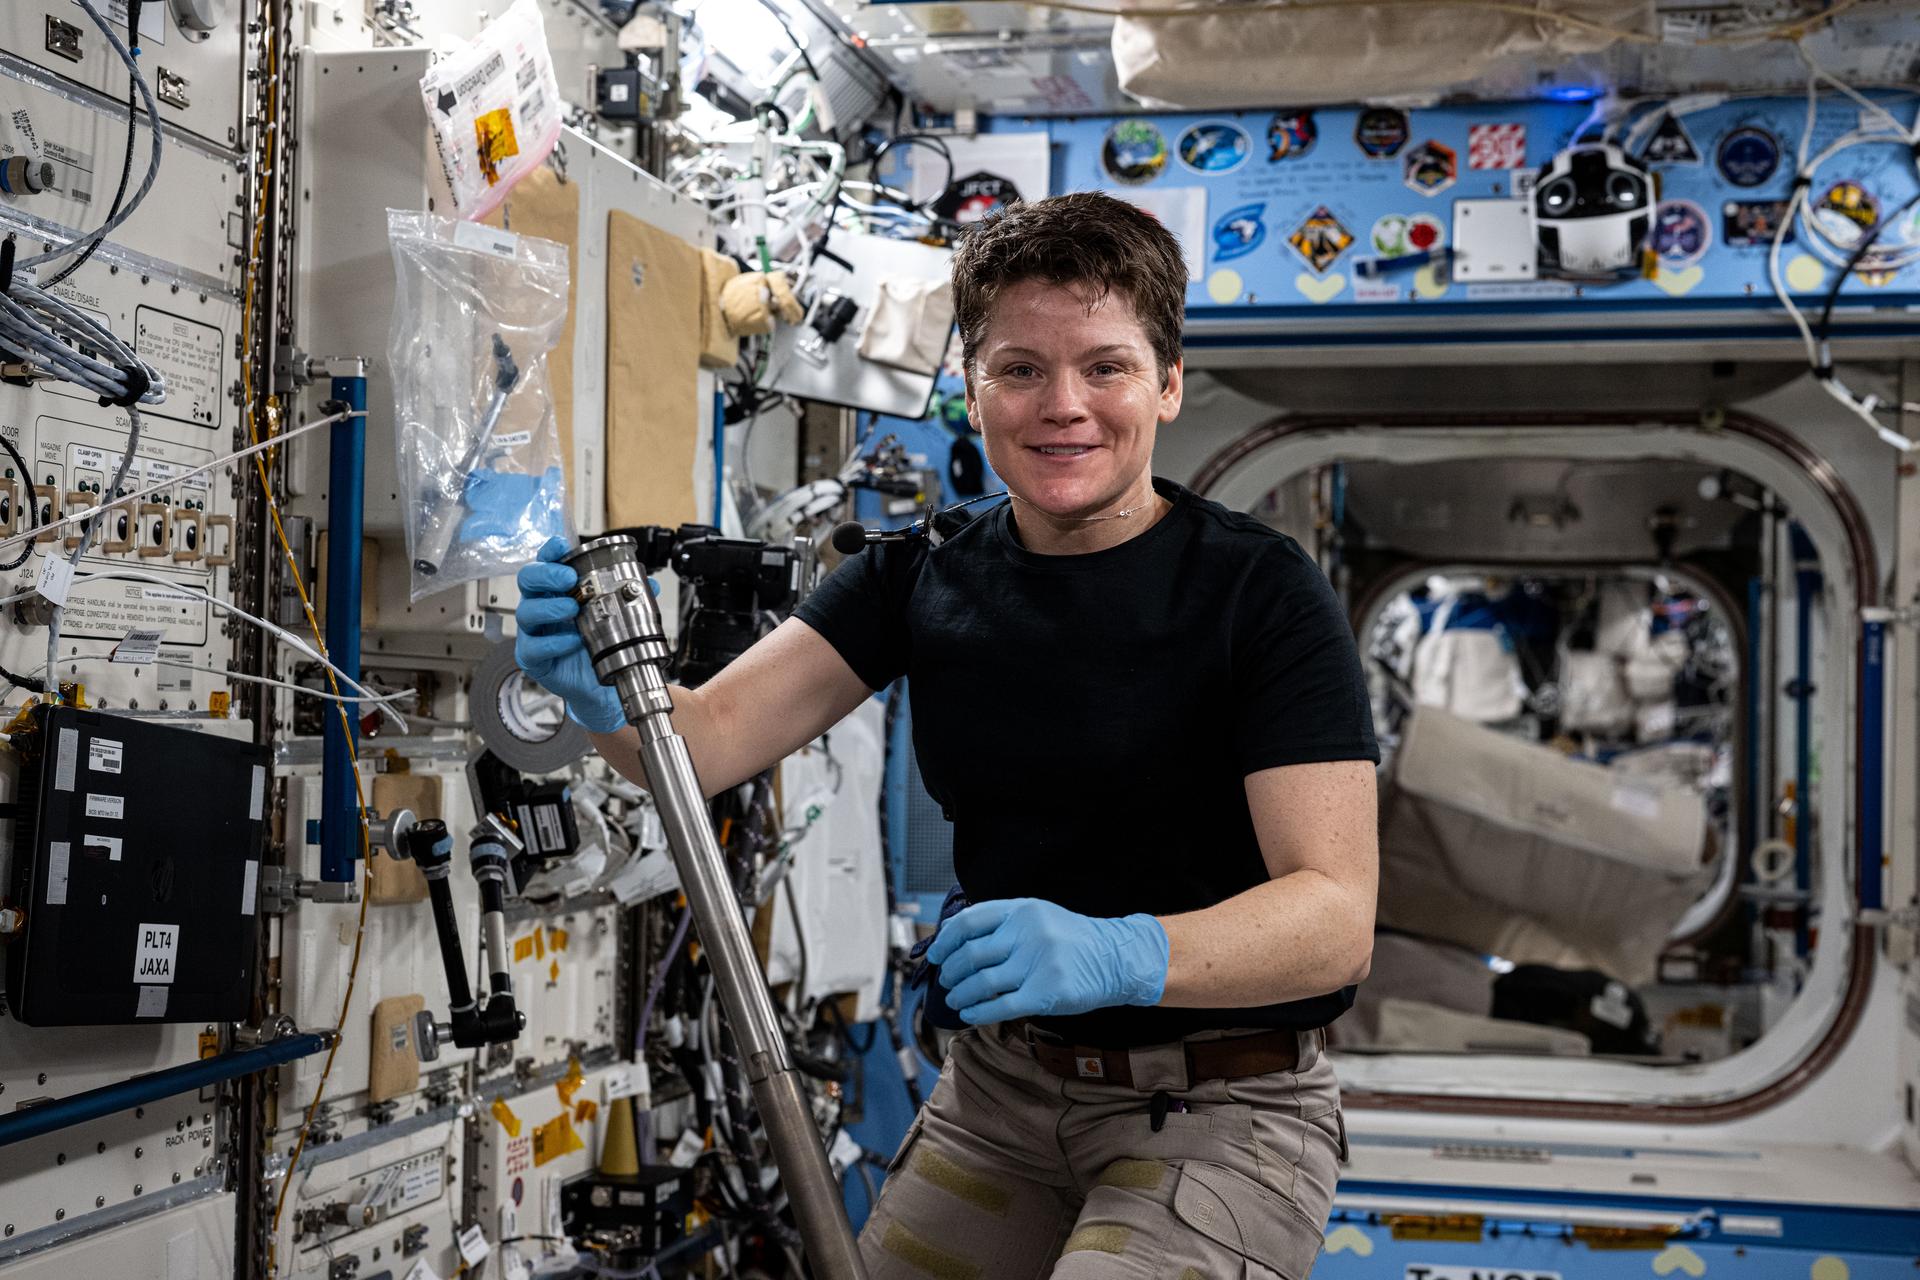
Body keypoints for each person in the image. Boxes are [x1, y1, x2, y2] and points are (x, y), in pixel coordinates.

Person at [514, 191, 1379, 1278]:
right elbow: (699, 749)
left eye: (1104, 366)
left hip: (1222, 1101)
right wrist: (606, 701)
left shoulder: (1260, 592)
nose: (1063, 404)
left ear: (1167, 383)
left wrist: (1125, 948)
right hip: (1003, 1093)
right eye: (1020, 369)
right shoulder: (916, 575)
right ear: (972, 392)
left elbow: (1337, 916)